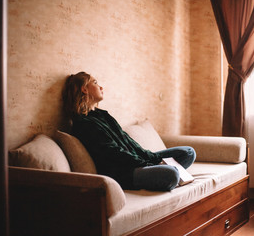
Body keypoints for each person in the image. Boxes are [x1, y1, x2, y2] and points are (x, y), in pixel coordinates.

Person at [62, 72, 196, 191]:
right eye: (95, 83)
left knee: (188, 153)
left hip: (136, 161)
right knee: (171, 174)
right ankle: (161, 171)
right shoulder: (83, 124)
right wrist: (148, 164)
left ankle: (159, 168)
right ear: (84, 89)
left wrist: (152, 158)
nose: (101, 87)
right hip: (124, 171)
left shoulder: (103, 115)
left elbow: (128, 141)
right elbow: (113, 153)